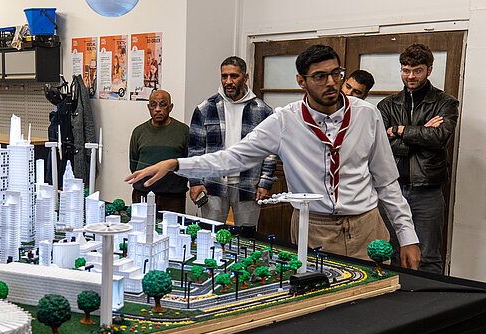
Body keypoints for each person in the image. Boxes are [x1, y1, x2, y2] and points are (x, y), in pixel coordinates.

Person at [126, 45, 421, 268]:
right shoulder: (284, 121)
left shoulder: (367, 115)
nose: (331, 82)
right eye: (320, 76)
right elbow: (233, 158)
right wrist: (177, 164)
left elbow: (387, 181)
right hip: (314, 229)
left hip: (367, 226)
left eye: (336, 74)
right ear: (301, 81)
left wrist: (407, 236)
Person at [377, 44, 458, 274]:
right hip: (391, 189)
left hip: (428, 191)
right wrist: (422, 132)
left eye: (417, 70)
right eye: (406, 70)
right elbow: (381, 147)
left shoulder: (445, 103)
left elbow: (438, 139)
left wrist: (399, 130)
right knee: (389, 253)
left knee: (428, 257)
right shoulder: (387, 105)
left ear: (429, 70)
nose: (411, 76)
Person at [188, 56, 276, 228]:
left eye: (234, 76)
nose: (228, 81)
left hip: (248, 186)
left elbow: (270, 151)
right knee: (210, 233)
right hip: (213, 184)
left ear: (245, 77)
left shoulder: (263, 111)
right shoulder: (205, 108)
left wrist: (265, 182)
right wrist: (195, 182)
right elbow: (195, 150)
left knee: (247, 235)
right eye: (224, 76)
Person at [128, 89, 189, 213]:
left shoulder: (183, 131)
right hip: (142, 194)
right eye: (153, 105)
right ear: (148, 107)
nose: (157, 109)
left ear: (170, 107)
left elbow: (188, 162)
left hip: (173, 197)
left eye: (163, 105)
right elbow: (134, 164)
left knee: (174, 225)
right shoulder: (139, 132)